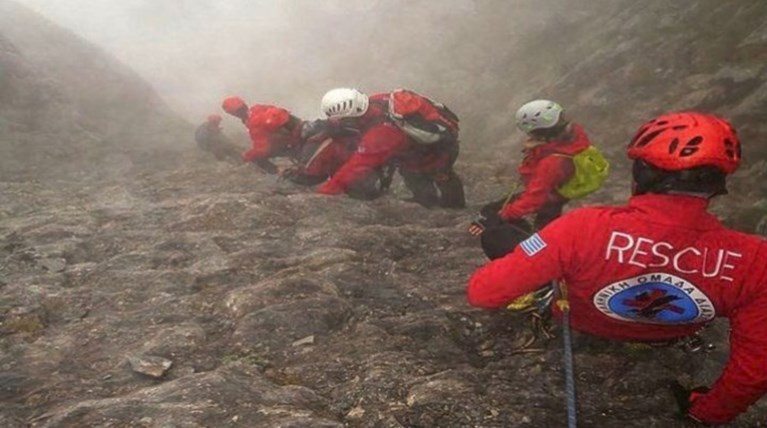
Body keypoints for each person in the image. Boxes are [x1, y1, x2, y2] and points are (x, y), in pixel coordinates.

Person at [466, 112, 767, 425]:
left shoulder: (581, 227)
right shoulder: (756, 258)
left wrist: (543, 257)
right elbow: (756, 368)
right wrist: (703, 415)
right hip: (671, 338)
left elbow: (483, 292)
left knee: (499, 236)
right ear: (717, 185)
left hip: (579, 327)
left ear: (642, 172)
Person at [469, 100, 595, 258]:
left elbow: (534, 199)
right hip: (559, 194)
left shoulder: (553, 162)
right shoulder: (570, 138)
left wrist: (503, 215)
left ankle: (533, 262)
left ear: (540, 131)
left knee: (500, 233)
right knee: (497, 210)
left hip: (552, 200)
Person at [316, 88, 466, 207]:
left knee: (435, 175)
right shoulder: (377, 100)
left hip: (435, 150)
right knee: (416, 175)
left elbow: (357, 165)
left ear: (349, 116)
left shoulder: (382, 132)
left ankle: (452, 209)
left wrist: (326, 191)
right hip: (427, 146)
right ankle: (429, 204)